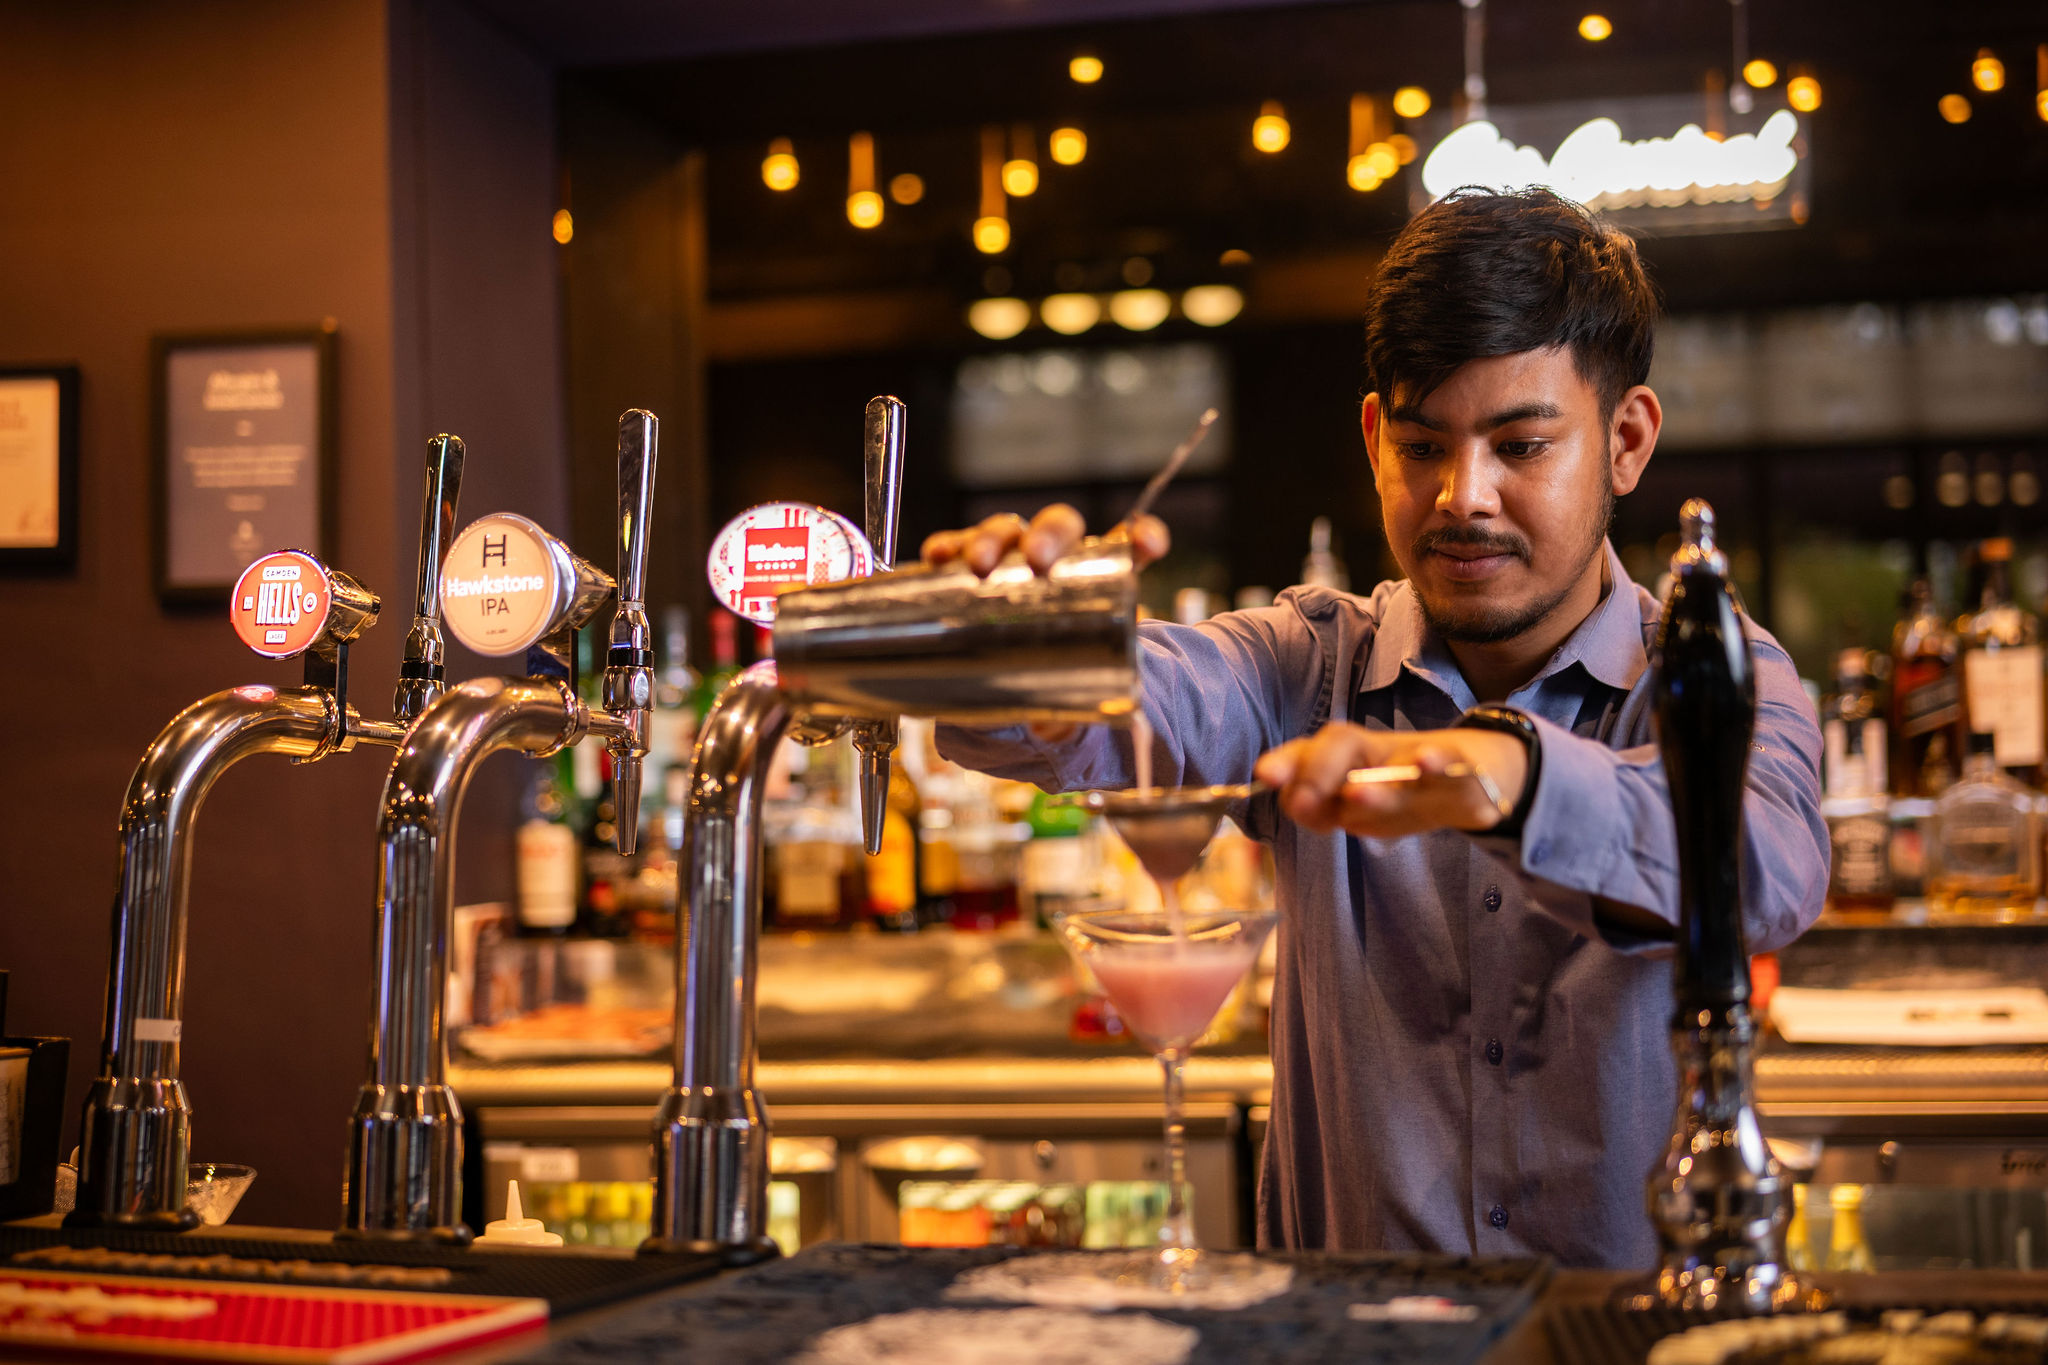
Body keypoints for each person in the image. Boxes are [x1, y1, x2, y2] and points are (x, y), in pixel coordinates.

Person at [926, 187, 1827, 1269]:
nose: (1462, 497)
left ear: (1624, 441)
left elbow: (1765, 869)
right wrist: (1016, 644)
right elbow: (1112, 705)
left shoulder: (1712, 674)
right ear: (1371, 441)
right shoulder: (1308, 668)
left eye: (1521, 445)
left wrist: (1510, 776)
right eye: (1421, 446)